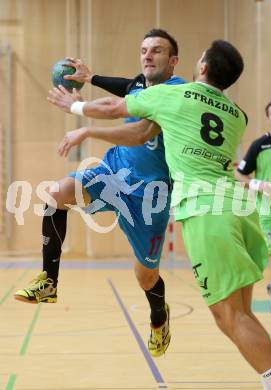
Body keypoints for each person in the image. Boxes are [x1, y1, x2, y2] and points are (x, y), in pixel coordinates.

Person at [48, 40, 271, 390]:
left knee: (231, 316)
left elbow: (117, 106)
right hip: (239, 210)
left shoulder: (176, 95)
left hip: (206, 213)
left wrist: (73, 104)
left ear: (203, 69)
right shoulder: (238, 115)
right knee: (236, 315)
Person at [14, 28, 186, 358]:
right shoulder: (140, 85)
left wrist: (81, 114)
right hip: (114, 173)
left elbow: (136, 132)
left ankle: (159, 319)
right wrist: (90, 79)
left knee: (146, 276)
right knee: (57, 193)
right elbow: (119, 94)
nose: (148, 55)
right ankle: (49, 282)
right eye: (144, 49)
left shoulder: (177, 93)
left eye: (157, 51)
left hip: (149, 197)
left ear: (173, 61)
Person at [235, 100, 271, 336]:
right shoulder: (259, 145)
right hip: (270, 217)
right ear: (268, 118)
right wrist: (256, 184)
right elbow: (239, 173)